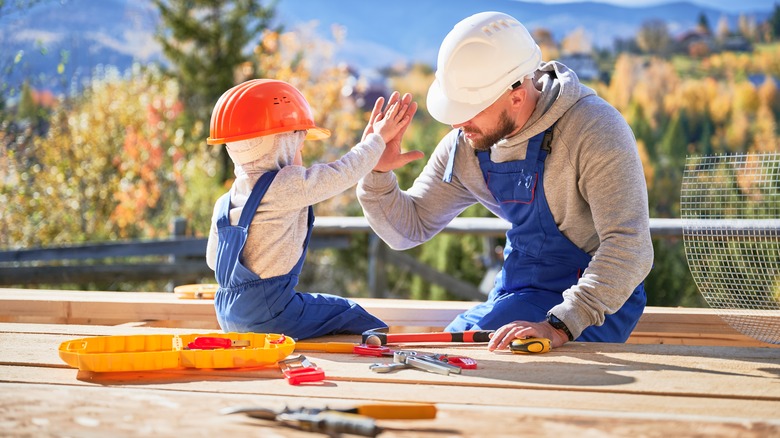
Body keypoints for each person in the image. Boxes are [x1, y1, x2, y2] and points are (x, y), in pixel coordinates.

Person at [357, 11, 653, 351]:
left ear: (517, 94)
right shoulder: (469, 140)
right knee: (449, 354)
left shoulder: (594, 130)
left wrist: (561, 324)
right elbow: (409, 227)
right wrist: (377, 173)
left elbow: (631, 248)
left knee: (474, 363)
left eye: (469, 108)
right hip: (518, 294)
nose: (457, 123)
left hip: (596, 305)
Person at [205, 78, 414, 339]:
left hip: (227, 315)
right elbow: (344, 172)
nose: (301, 156)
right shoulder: (285, 185)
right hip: (273, 314)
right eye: (299, 146)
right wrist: (377, 140)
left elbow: (214, 261)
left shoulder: (225, 201)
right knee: (352, 314)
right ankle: (376, 354)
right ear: (281, 144)